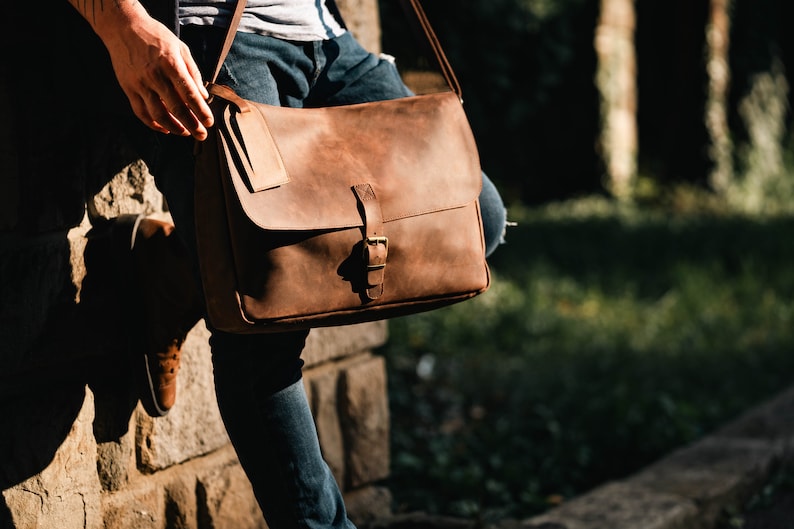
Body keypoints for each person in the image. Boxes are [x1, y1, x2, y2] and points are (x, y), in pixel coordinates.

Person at [65, 0, 509, 527]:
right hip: (206, 41)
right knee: (261, 336)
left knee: (475, 218)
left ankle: (178, 270)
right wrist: (124, 27)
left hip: (322, 36)